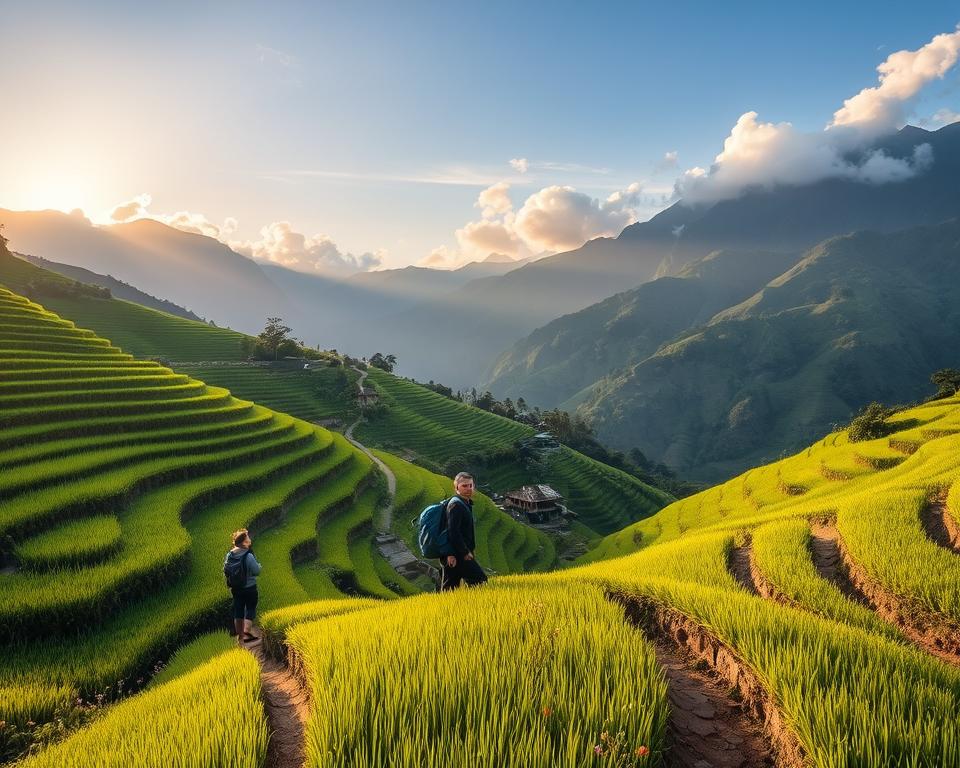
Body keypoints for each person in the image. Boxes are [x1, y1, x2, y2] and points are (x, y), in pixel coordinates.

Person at [440, 472, 488, 591]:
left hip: (456, 553)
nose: (469, 489)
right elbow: (453, 532)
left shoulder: (464, 503)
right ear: (456, 487)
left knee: (450, 588)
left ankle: (455, 607)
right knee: (479, 579)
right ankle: (472, 606)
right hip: (458, 554)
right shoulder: (456, 505)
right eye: (464, 486)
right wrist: (464, 552)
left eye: (470, 485)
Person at [224, 528, 262, 643]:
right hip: (249, 587)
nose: (249, 539)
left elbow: (226, 570)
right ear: (244, 542)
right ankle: (246, 630)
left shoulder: (229, 555)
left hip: (236, 588)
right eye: (248, 538)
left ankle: (240, 637)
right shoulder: (248, 556)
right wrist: (259, 566)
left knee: (238, 610)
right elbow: (256, 571)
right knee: (250, 608)